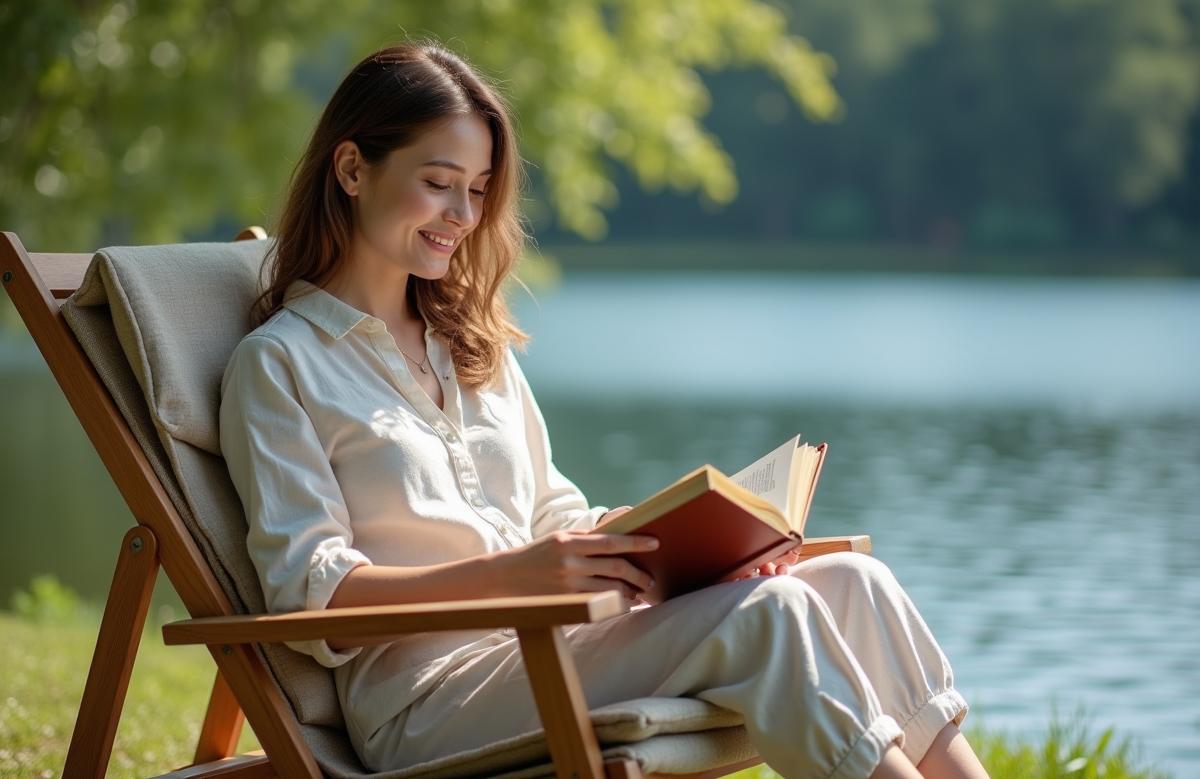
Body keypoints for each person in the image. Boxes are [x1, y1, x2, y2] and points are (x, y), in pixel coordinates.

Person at [219, 41, 991, 779]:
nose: (463, 213)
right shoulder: (281, 364)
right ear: (352, 168)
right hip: (427, 699)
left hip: (553, 647)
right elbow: (311, 594)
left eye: (479, 189)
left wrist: (663, 542)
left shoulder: (470, 346)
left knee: (856, 582)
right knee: (773, 613)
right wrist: (511, 577)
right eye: (439, 181)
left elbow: (554, 516)